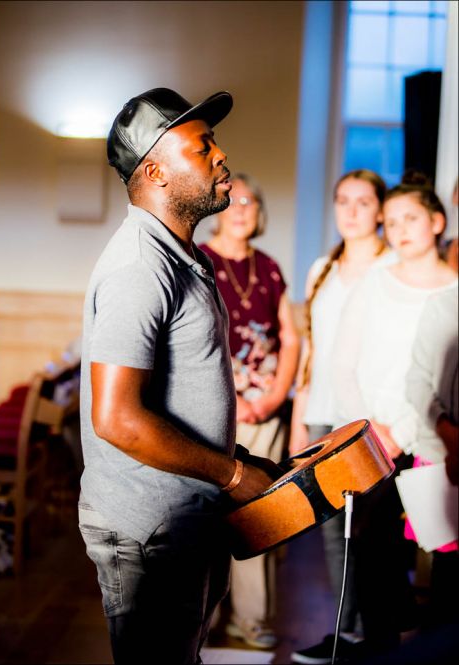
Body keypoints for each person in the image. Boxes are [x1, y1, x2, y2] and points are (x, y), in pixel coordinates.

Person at [78, 88, 282, 665]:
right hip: (148, 527)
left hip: (188, 512)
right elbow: (117, 417)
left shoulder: (184, 256)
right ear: (156, 172)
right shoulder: (140, 266)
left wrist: (232, 455)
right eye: (203, 146)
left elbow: (180, 391)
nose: (222, 156)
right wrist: (233, 471)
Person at [330, 172, 458, 660]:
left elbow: (432, 378)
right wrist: (372, 428)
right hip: (374, 439)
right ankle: (381, 645)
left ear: (437, 222)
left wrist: (406, 432)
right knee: (371, 548)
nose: (399, 230)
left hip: (432, 441)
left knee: (443, 553)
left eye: (411, 219)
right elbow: (344, 364)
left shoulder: (453, 293)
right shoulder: (374, 283)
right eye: (391, 222)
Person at [289, 169, 395, 665]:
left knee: (372, 533)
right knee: (331, 530)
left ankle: (371, 632)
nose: (350, 211)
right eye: (342, 201)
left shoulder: (392, 265)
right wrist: (300, 412)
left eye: (362, 202)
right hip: (321, 413)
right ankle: (344, 628)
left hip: (369, 419)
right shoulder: (321, 269)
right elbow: (312, 348)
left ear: (380, 210)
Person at [199, 173, 300, 649]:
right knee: (205, 517)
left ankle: (252, 616)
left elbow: (292, 335)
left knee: (261, 515)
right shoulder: (198, 260)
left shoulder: (272, 267)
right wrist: (236, 399)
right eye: (233, 199)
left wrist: (277, 396)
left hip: (269, 408)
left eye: (251, 202)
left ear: (260, 213)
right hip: (215, 408)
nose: (241, 208)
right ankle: (204, 618)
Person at [404, 284, 458, 629]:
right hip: (445, 456)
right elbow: (417, 382)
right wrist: (450, 436)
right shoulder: (443, 304)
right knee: (447, 582)